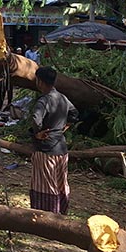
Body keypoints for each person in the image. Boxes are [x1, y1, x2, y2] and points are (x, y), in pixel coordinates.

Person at [29, 66, 78, 215]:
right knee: (61, 183)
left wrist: (38, 133)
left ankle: (46, 218)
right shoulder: (62, 97)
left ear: (40, 82)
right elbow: (74, 113)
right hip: (61, 149)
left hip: (45, 150)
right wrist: (65, 127)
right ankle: (61, 215)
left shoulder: (44, 100)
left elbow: (36, 119)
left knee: (45, 184)